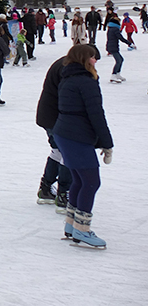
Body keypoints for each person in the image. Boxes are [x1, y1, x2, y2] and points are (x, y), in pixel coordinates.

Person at [52, 44, 113, 248]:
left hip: (65, 133)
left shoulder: (68, 77)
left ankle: (71, 225)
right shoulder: (86, 82)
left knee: (79, 180)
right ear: (84, 59)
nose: (95, 61)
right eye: (93, 57)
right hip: (75, 136)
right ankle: (82, 229)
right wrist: (107, 143)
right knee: (91, 182)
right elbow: (96, 114)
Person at [35, 55, 72, 212]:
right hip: (55, 117)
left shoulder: (62, 64)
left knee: (57, 151)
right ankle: (63, 194)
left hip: (48, 115)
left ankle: (46, 188)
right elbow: (66, 96)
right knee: (66, 153)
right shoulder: (66, 68)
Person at [106, 14, 129, 83]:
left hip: (111, 46)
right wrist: (129, 43)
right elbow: (120, 38)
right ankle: (113, 75)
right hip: (113, 47)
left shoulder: (110, 28)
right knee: (119, 61)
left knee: (121, 60)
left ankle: (118, 74)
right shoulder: (115, 29)